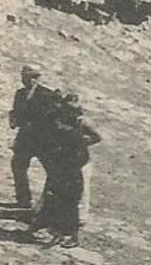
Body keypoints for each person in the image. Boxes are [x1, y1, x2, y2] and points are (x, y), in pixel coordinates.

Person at [28, 93, 100, 249]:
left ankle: (73, 232)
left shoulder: (79, 127)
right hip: (61, 165)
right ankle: (45, 222)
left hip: (75, 166)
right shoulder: (57, 119)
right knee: (53, 194)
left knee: (72, 200)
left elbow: (94, 139)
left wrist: (80, 145)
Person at [8, 66, 55, 209]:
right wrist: (13, 120)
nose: (26, 81)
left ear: (36, 79)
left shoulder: (48, 94)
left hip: (42, 139)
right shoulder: (20, 94)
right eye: (24, 77)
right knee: (18, 166)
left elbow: (52, 117)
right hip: (24, 138)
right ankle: (23, 199)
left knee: (52, 170)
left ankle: (49, 203)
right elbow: (15, 111)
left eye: (30, 77)